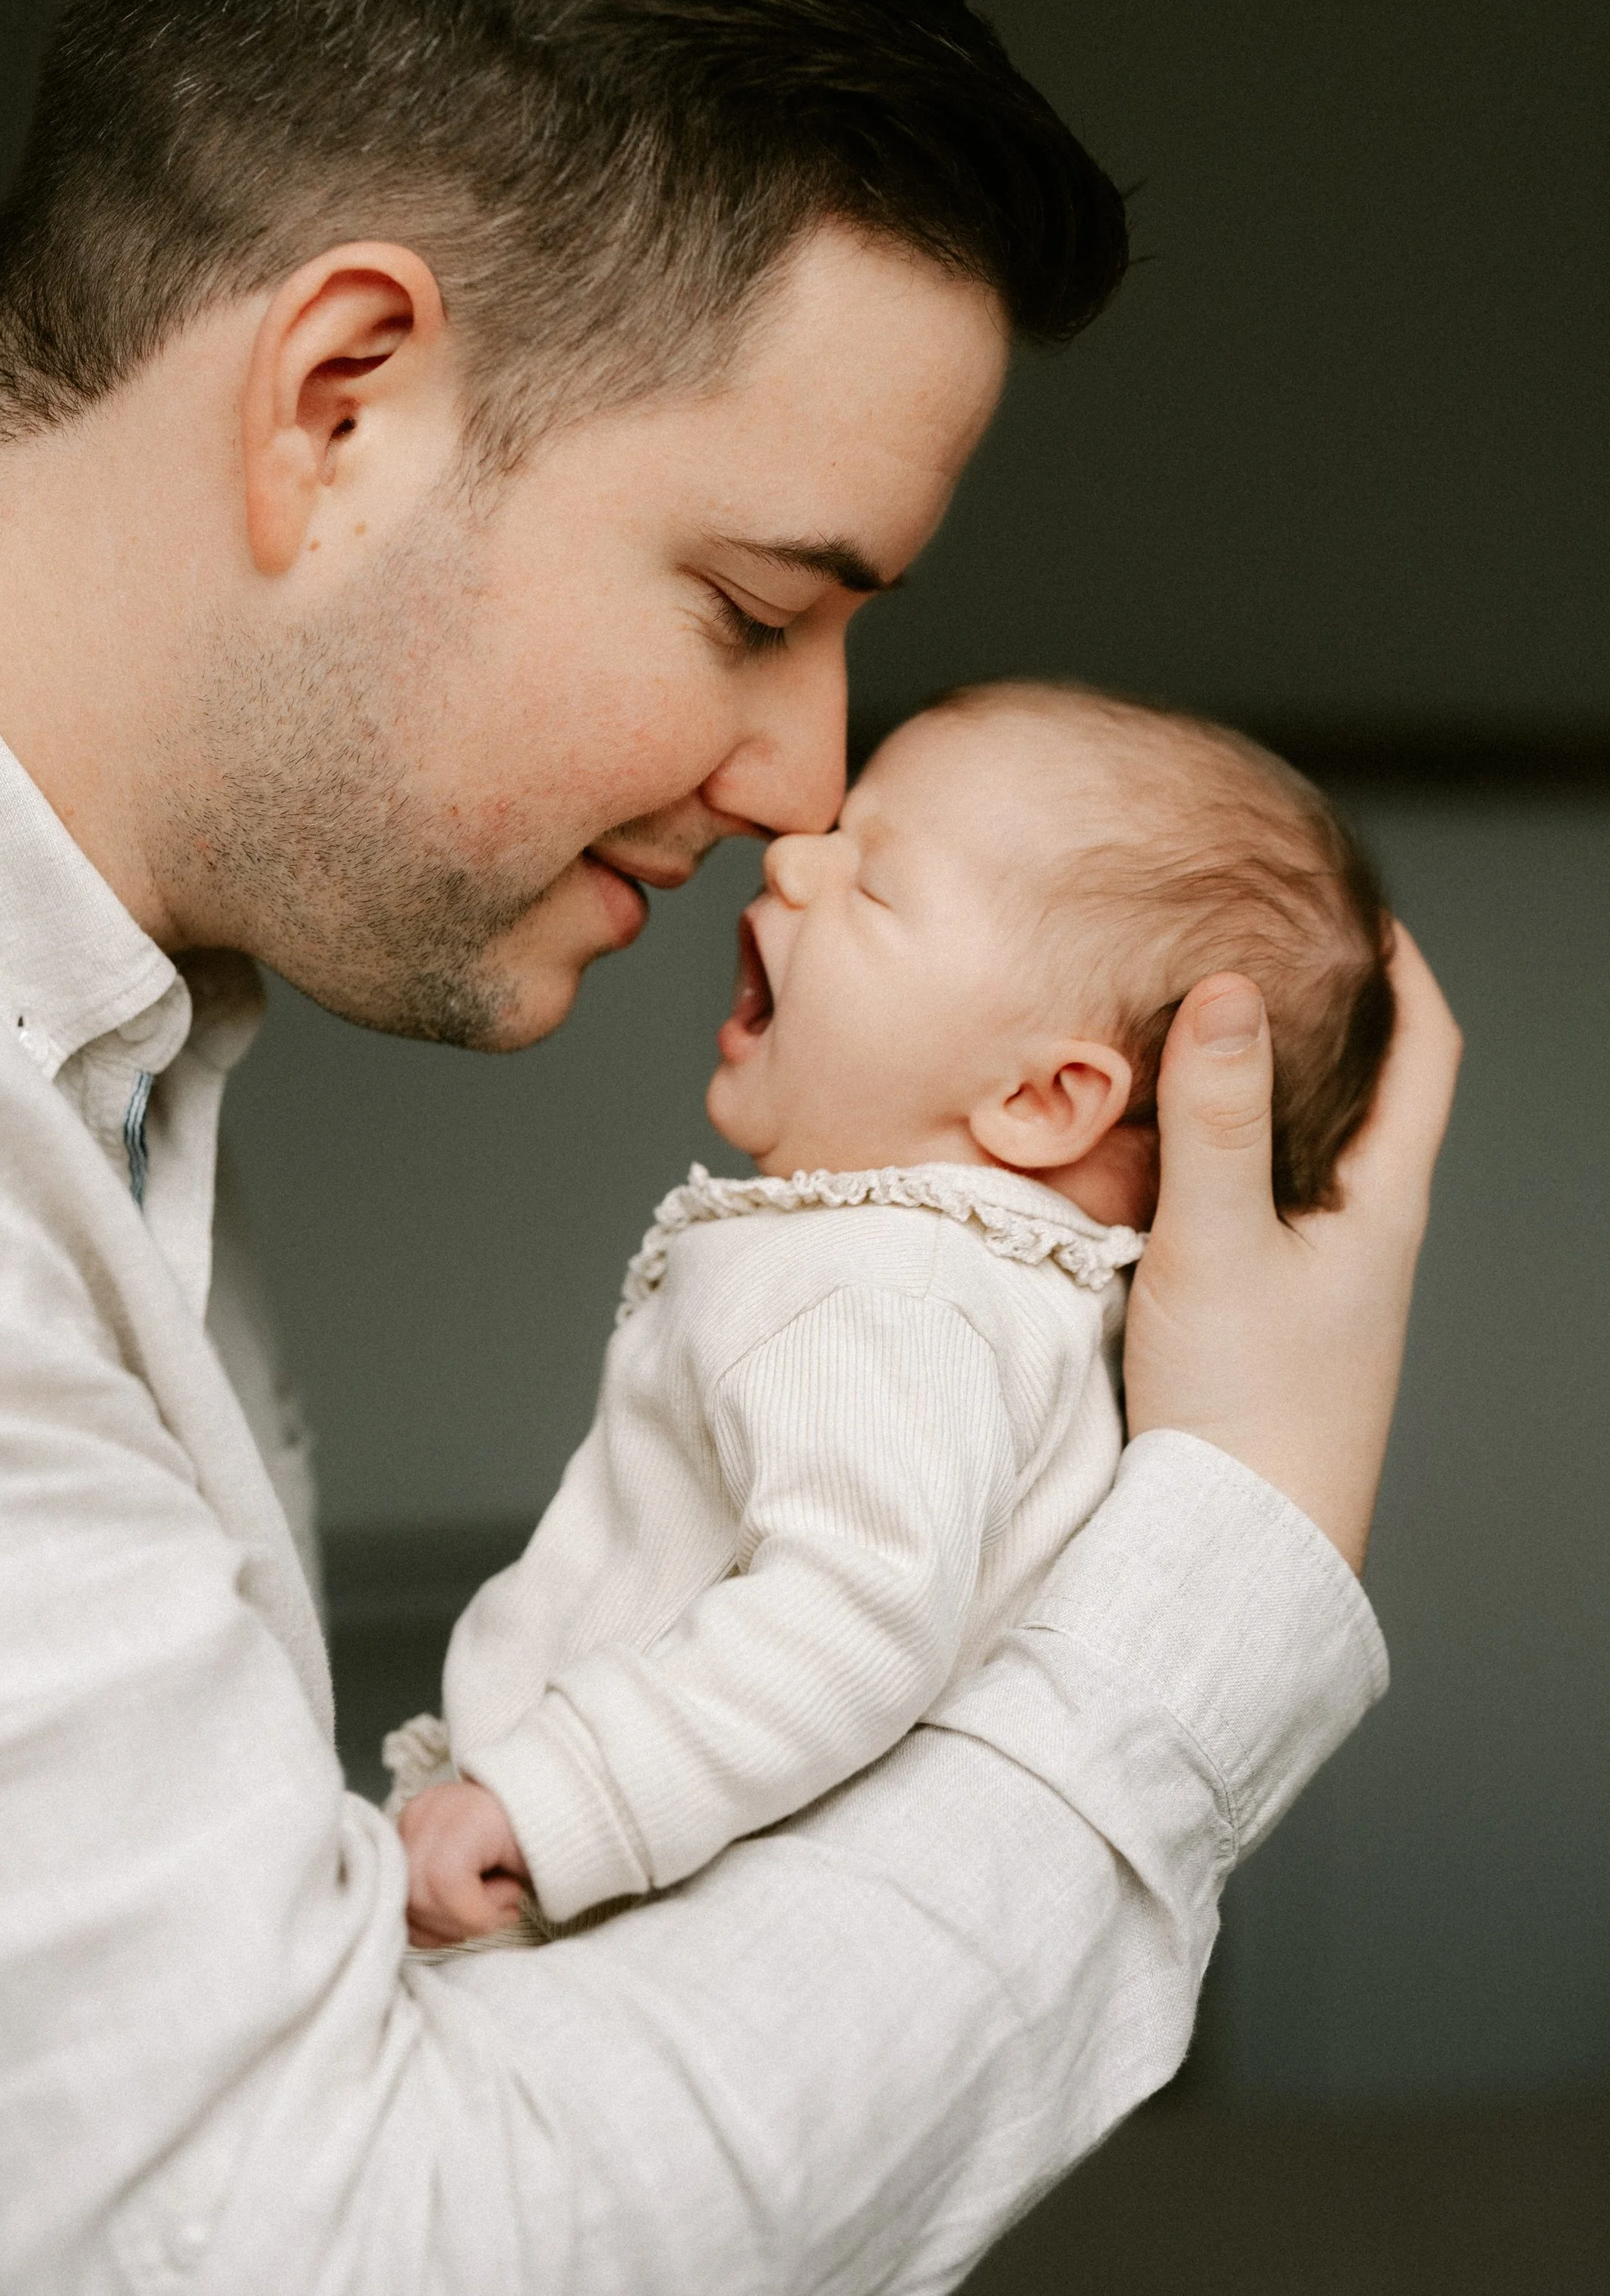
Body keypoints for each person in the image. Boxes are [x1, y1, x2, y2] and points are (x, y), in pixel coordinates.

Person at [0, 0, 1459, 2294]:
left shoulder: (86, 1038)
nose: (808, 787)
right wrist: (1230, 1570)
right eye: (752, 606)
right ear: (345, 397)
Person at [392, 681, 1394, 1945]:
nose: (796, 854)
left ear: (1039, 1100)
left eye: (872, 884)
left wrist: (553, 1801)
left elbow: (854, 1615)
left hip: (591, 1892)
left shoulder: (896, 1288)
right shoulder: (980, 1299)